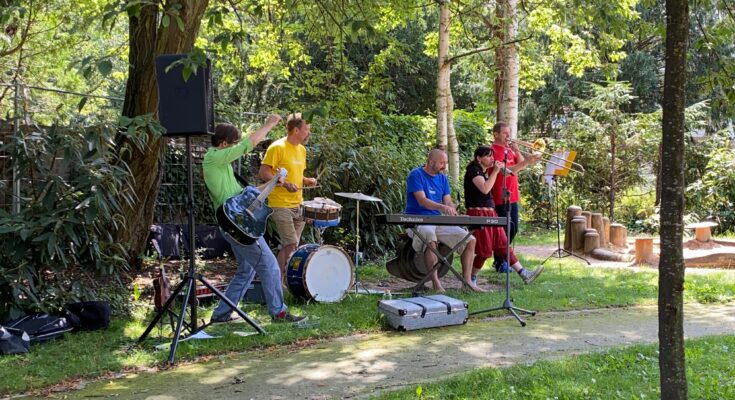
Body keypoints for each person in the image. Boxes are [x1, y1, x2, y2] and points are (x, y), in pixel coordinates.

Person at [202, 116, 305, 324]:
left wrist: (274, 183)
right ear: (223, 144)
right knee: (271, 266)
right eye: (232, 145)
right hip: (236, 225)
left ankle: (221, 315)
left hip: (233, 223)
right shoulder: (214, 158)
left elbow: (244, 196)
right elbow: (249, 144)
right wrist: (270, 124)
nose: (234, 150)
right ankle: (279, 313)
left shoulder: (221, 165)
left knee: (246, 271)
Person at [405, 149, 483, 292]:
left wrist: (456, 214)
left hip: (439, 221)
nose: (444, 166)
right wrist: (443, 207)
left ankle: (467, 282)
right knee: (430, 237)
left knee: (470, 240)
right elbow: (422, 201)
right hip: (418, 220)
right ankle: (436, 283)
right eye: (442, 163)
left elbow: (448, 202)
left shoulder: (442, 179)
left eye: (445, 163)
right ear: (430, 162)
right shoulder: (415, 175)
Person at [464, 145, 544, 284]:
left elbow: (510, 172)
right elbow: (485, 188)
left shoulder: (483, 170)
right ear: (479, 158)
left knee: (503, 244)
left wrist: (525, 162)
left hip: (490, 212)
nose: (492, 159)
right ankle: (470, 278)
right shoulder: (473, 170)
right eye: (488, 156)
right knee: (484, 250)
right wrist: (495, 171)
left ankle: (524, 274)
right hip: (479, 213)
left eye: (492, 156)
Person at [258, 114, 318, 278]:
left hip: (298, 203)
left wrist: (307, 180)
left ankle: (277, 280)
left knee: (289, 246)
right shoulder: (277, 147)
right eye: (306, 129)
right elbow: (264, 173)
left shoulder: (302, 150)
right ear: (296, 130)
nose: (308, 133)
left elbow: (296, 175)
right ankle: (292, 281)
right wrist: (284, 184)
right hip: (279, 204)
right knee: (292, 245)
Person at [490, 121, 540, 270]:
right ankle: (500, 261)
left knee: (514, 228)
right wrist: (526, 162)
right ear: (496, 134)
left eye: (509, 133)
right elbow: (508, 171)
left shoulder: (508, 149)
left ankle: (502, 258)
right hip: (500, 196)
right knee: (505, 230)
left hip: (513, 195)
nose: (508, 136)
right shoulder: (492, 151)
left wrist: (517, 150)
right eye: (505, 133)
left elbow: (522, 166)